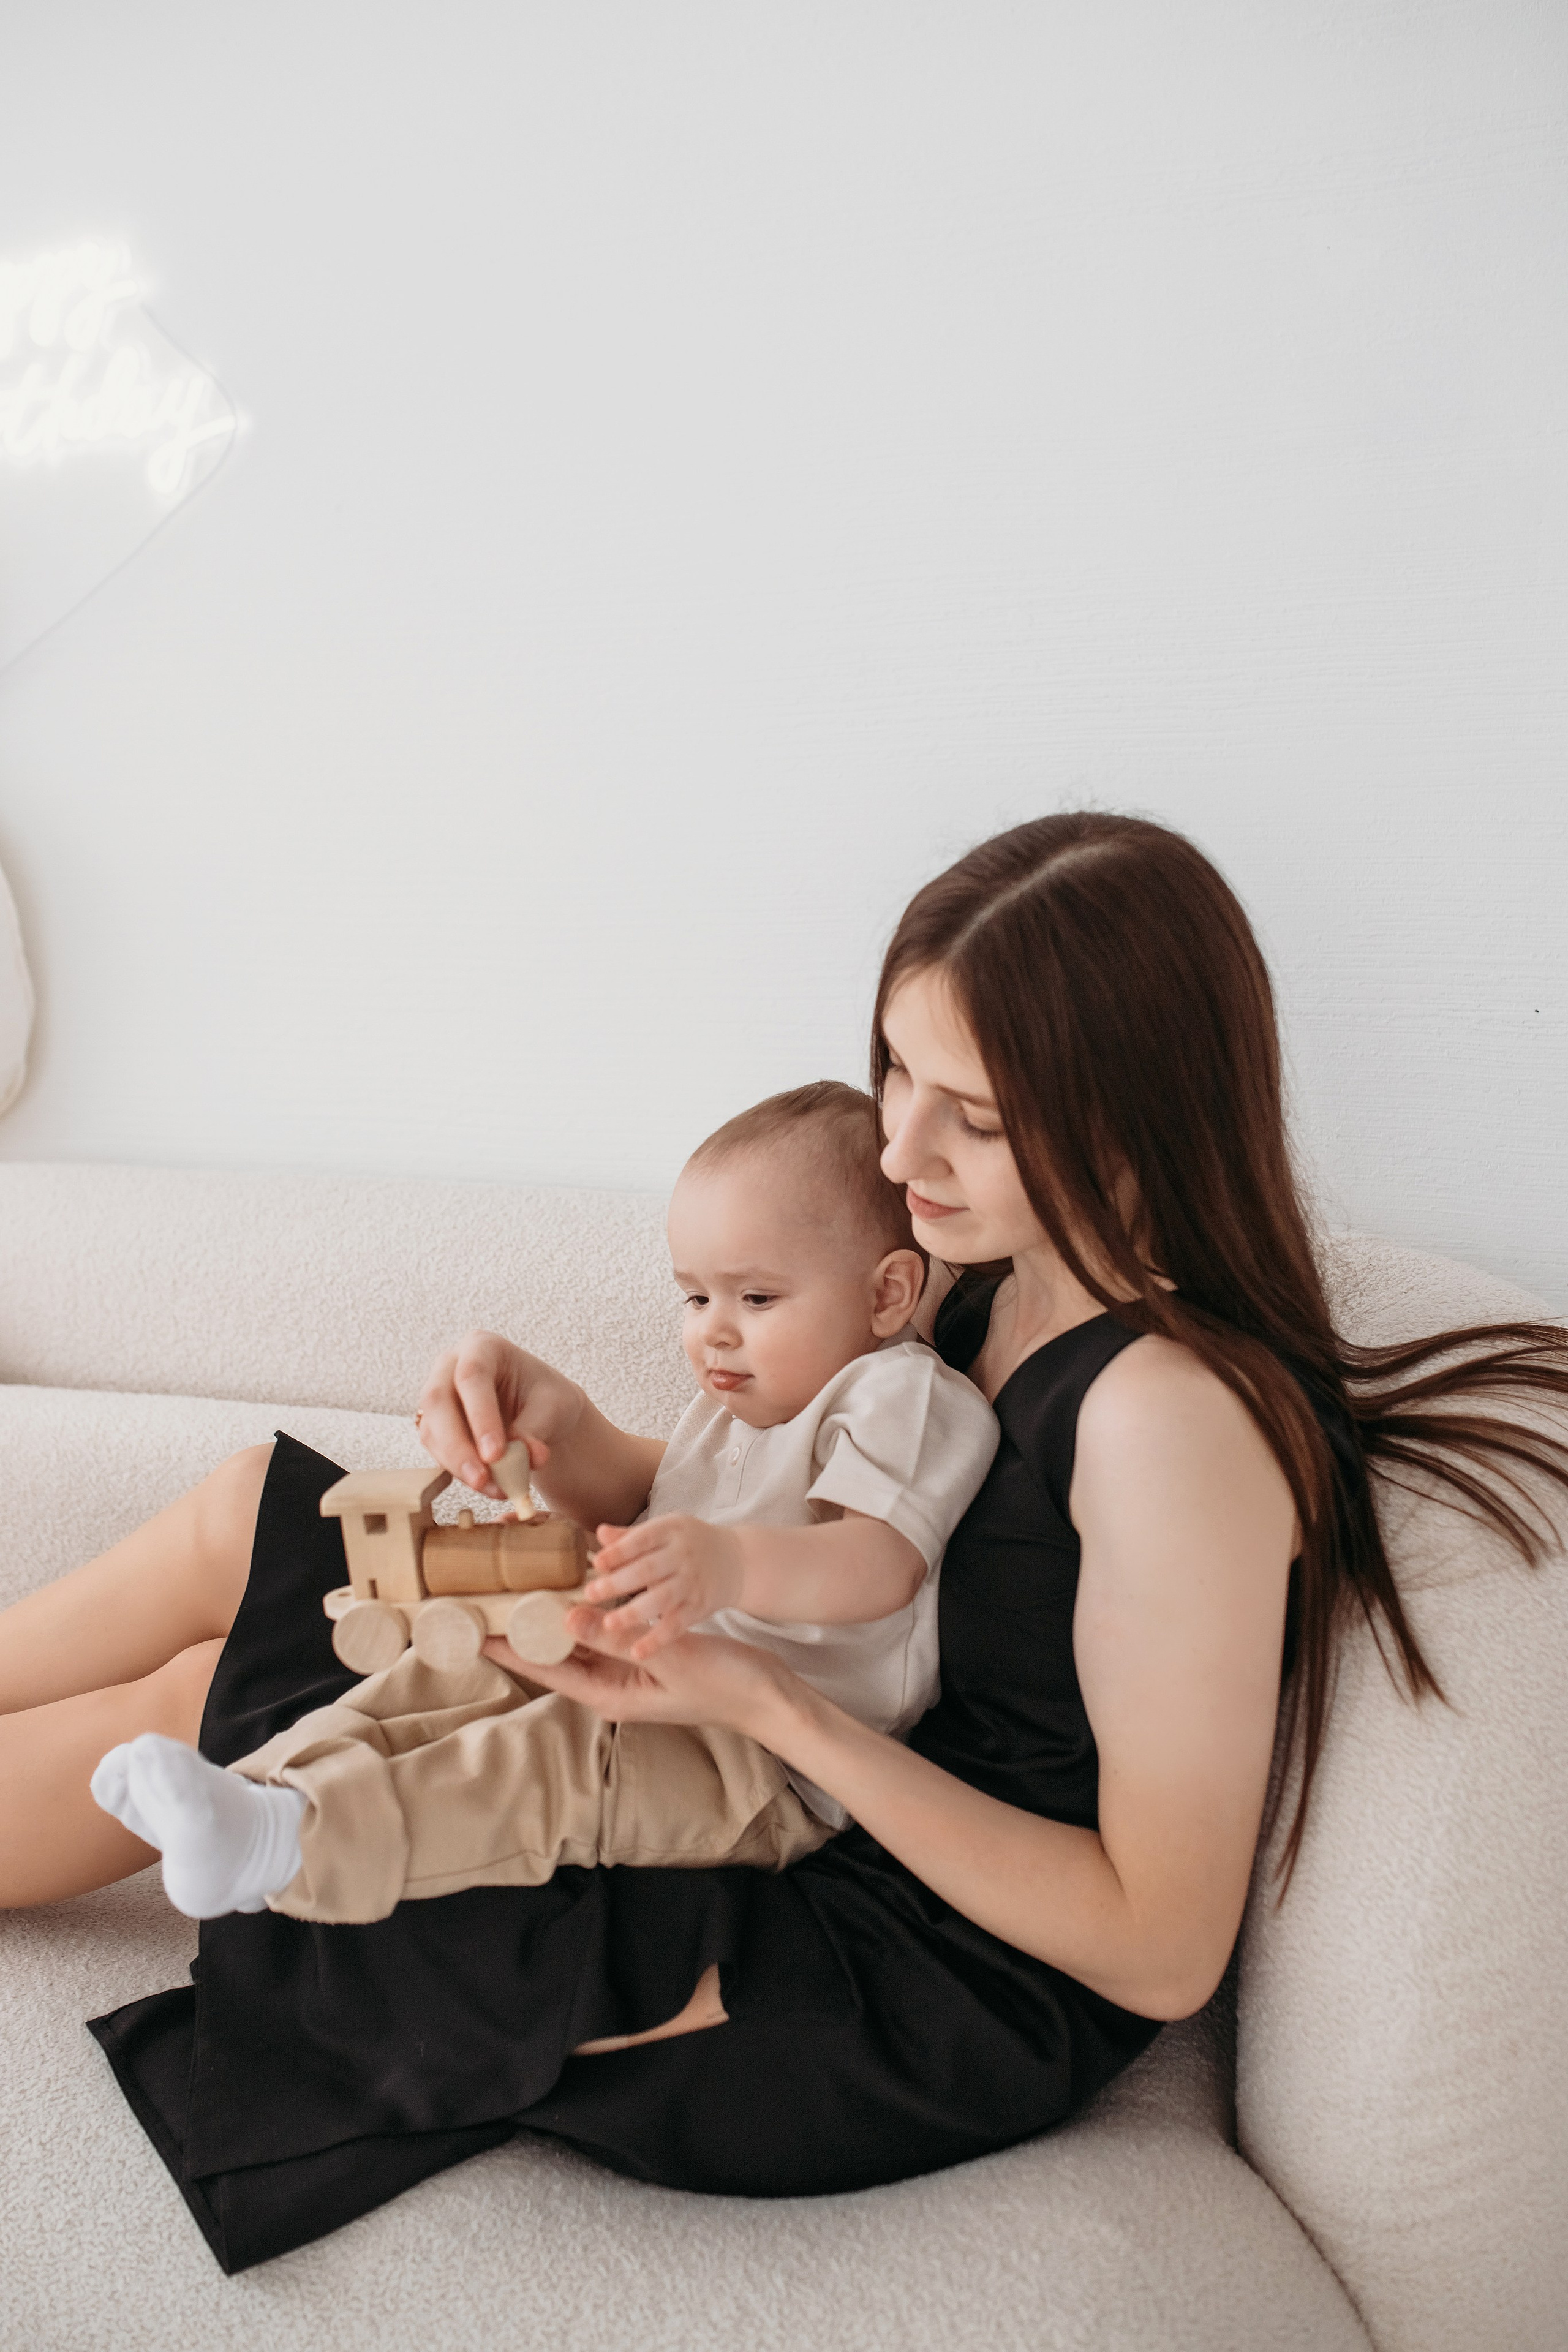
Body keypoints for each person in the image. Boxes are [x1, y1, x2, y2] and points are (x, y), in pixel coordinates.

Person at [2, 812, 1564, 2278]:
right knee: (246, 1515)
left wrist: (762, 1708)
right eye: (895, 1072)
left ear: (1132, 1127)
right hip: (789, 1719)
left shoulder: (1168, 1424)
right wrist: (571, 1437)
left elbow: (1156, 1950)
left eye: (974, 1116)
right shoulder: (966, 1269)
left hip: (884, 1933)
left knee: (223, 1698)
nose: (898, 1150)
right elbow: (768, 1501)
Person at [86, 1082, 1000, 1923]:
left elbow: (880, 1565)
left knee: (543, 1764)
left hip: (761, 1763)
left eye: (756, 1296)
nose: (711, 1329)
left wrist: (730, 1565)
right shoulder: (742, 1404)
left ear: (888, 1293)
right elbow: (643, 1500)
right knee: (441, 1679)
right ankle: (251, 1792)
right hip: (641, 1672)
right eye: (693, 1296)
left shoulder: (898, 1395)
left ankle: (299, 1842)